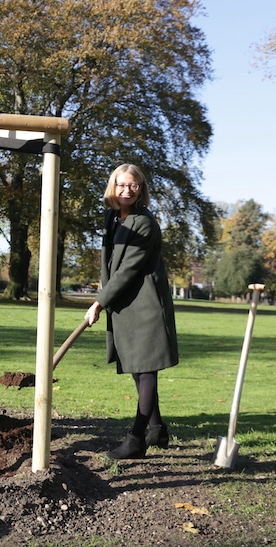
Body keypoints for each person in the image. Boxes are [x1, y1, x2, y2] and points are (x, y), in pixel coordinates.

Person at [84, 163, 178, 459]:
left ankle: (136, 439)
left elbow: (127, 270)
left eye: (133, 186)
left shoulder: (144, 223)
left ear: (141, 189)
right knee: (138, 369)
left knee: (146, 368)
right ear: (113, 186)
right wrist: (106, 298)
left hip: (146, 303)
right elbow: (109, 265)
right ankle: (157, 429)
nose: (127, 191)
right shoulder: (113, 217)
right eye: (122, 185)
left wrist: (99, 301)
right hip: (125, 303)